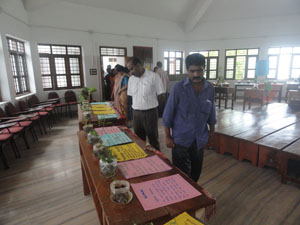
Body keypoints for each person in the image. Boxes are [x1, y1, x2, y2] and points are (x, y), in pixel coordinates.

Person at [162, 53, 216, 182]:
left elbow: (211, 111)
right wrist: (167, 136)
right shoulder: (178, 88)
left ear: (204, 69)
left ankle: (193, 198)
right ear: (187, 70)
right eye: (192, 71)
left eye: (199, 70)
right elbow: (168, 113)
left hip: (199, 139)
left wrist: (212, 130)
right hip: (180, 140)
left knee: (196, 171)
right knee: (181, 175)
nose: (196, 74)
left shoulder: (209, 88)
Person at [127, 57, 165, 150]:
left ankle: (157, 162)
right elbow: (131, 96)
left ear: (139, 65)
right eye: (129, 70)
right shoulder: (131, 79)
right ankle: (142, 162)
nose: (131, 72)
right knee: (138, 139)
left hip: (150, 113)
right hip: (136, 113)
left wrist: (154, 107)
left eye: (132, 69)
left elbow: (161, 95)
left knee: (153, 139)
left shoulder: (153, 76)